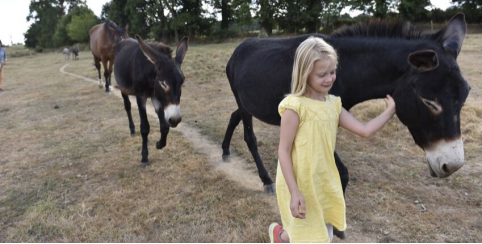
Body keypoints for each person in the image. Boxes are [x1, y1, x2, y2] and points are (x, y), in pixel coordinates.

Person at [269, 37, 397, 243]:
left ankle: (280, 237)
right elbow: (283, 151)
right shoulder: (294, 107)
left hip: (324, 179)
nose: (329, 79)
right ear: (305, 73)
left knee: (319, 229)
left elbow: (364, 130)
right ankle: (283, 236)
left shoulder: (334, 105)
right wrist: (294, 192)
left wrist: (389, 111)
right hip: (300, 182)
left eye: (332, 72)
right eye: (322, 75)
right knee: (308, 233)